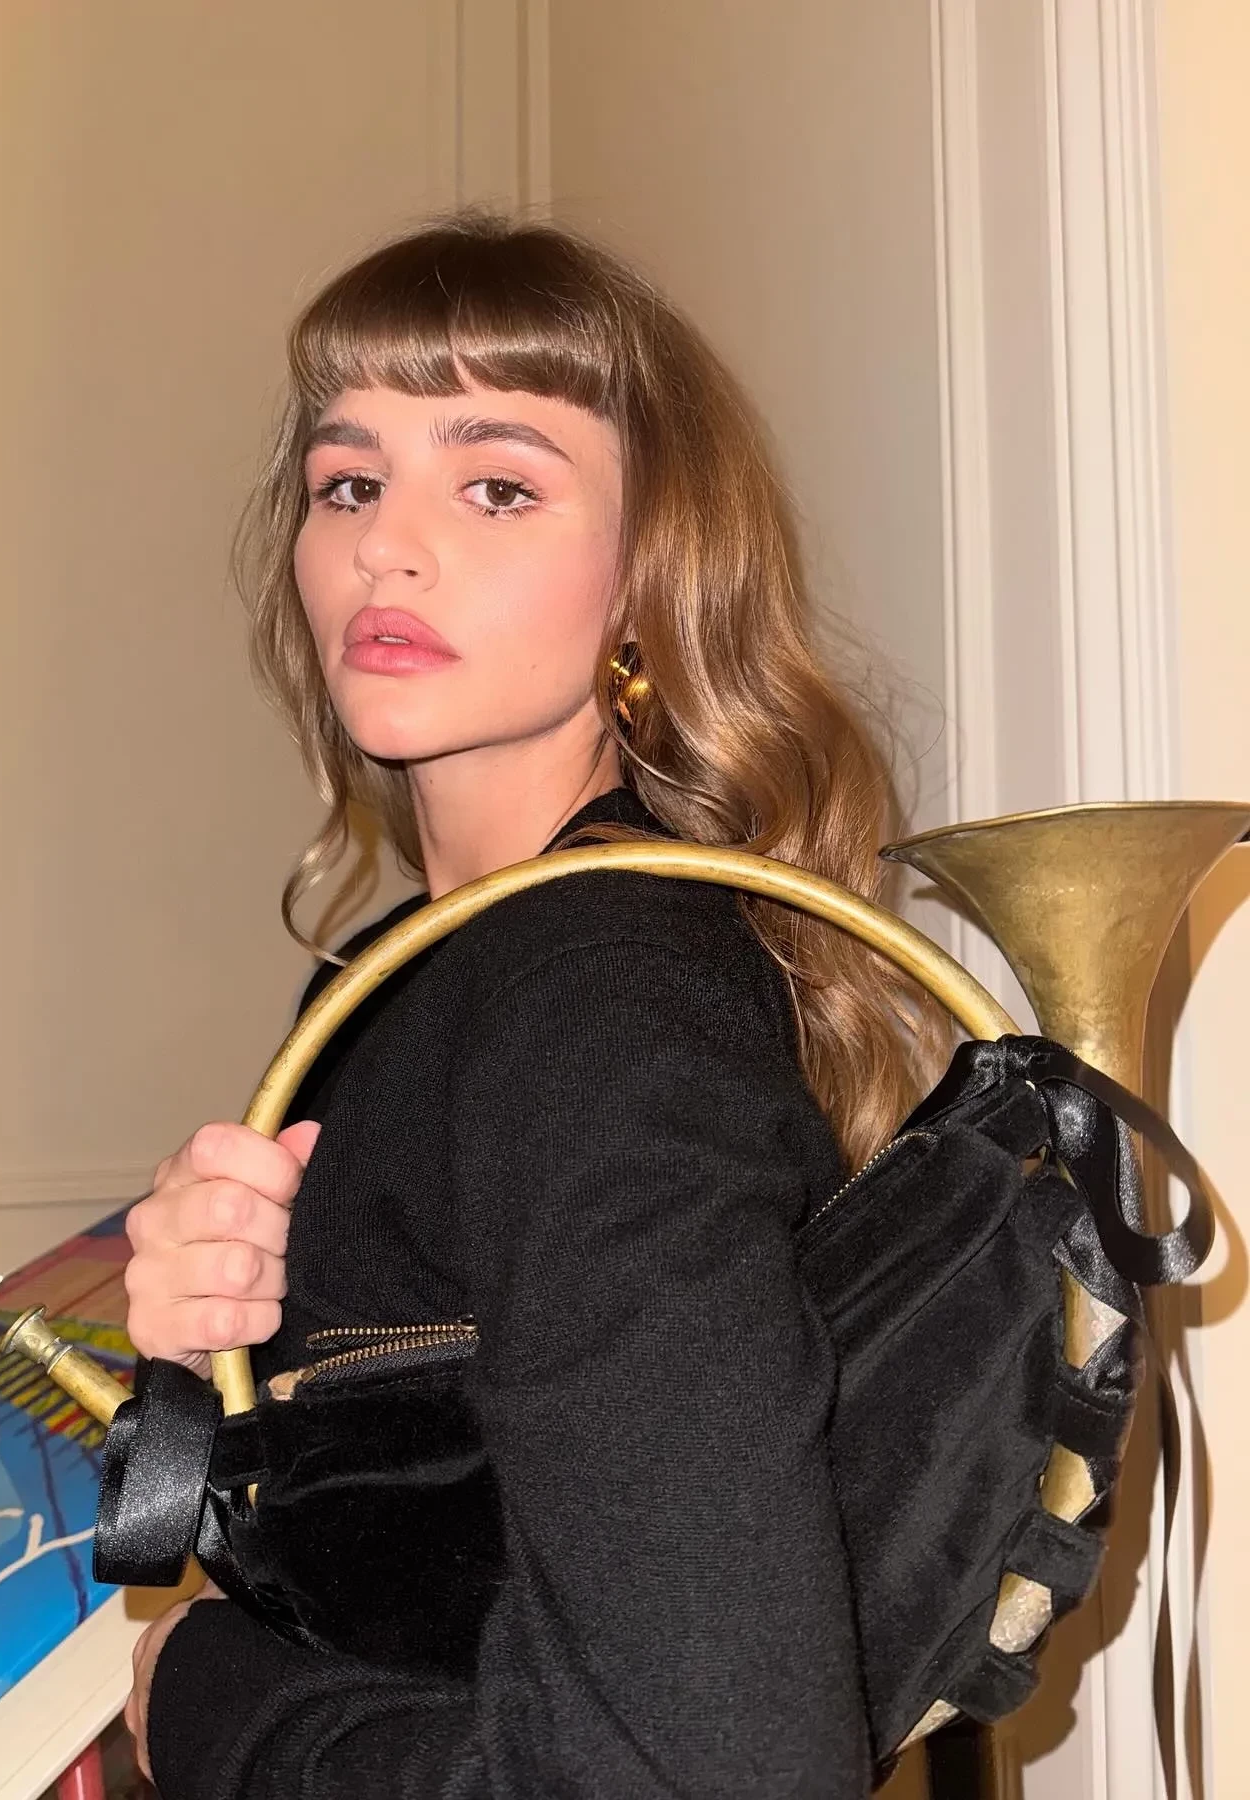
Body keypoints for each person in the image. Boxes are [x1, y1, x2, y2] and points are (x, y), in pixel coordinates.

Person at [116, 211, 941, 1798]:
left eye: (497, 485)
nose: (387, 546)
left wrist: (213, 1703)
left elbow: (715, 1774)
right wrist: (206, 1366)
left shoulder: (601, 994)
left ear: (651, 577)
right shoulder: (403, 976)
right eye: (349, 483)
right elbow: (414, 1543)